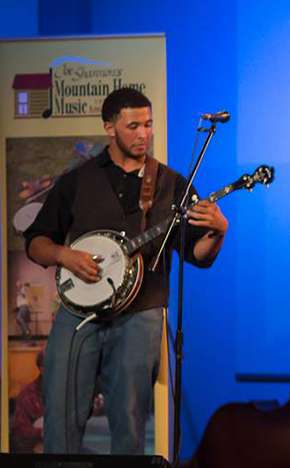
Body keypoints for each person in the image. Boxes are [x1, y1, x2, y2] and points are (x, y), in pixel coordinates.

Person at [24, 87, 229, 454]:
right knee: (61, 416)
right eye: (133, 125)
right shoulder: (78, 180)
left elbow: (198, 254)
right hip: (78, 311)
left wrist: (218, 231)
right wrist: (65, 255)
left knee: (129, 421)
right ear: (109, 127)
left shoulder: (172, 184)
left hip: (141, 311)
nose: (144, 134)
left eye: (149, 125)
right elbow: (36, 241)